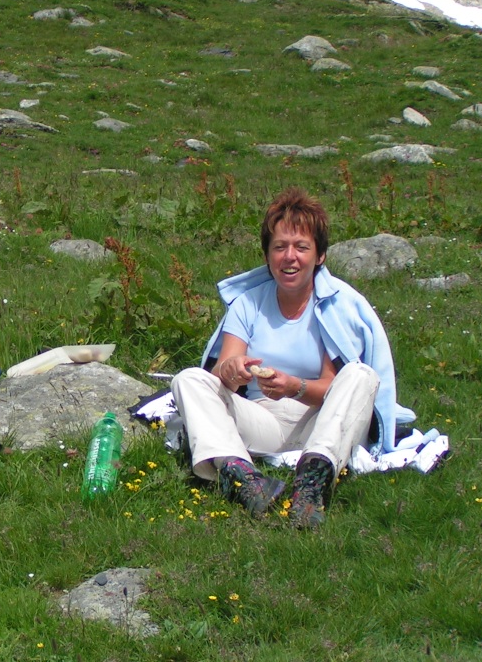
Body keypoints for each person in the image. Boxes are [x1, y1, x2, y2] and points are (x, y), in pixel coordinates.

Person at [171, 187, 405, 529]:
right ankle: (244, 480)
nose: (289, 257)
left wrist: (294, 387)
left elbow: (332, 388)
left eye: (301, 247)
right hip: (261, 418)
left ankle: (312, 482)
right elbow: (224, 370)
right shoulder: (248, 303)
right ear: (268, 255)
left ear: (320, 256)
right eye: (279, 247)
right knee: (189, 379)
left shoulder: (337, 307)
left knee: (360, 375)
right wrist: (233, 369)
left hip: (320, 422)